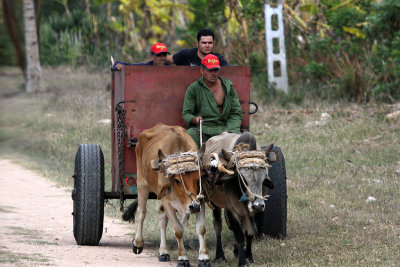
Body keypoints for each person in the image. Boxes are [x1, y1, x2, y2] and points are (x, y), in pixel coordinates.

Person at [182, 54, 242, 149]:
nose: (213, 74)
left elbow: (236, 113)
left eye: (216, 70)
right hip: (203, 130)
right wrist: (194, 119)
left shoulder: (228, 87)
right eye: (210, 70)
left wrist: (231, 131)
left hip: (224, 130)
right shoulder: (193, 89)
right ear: (202, 70)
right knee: (190, 135)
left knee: (244, 142)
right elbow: (186, 113)